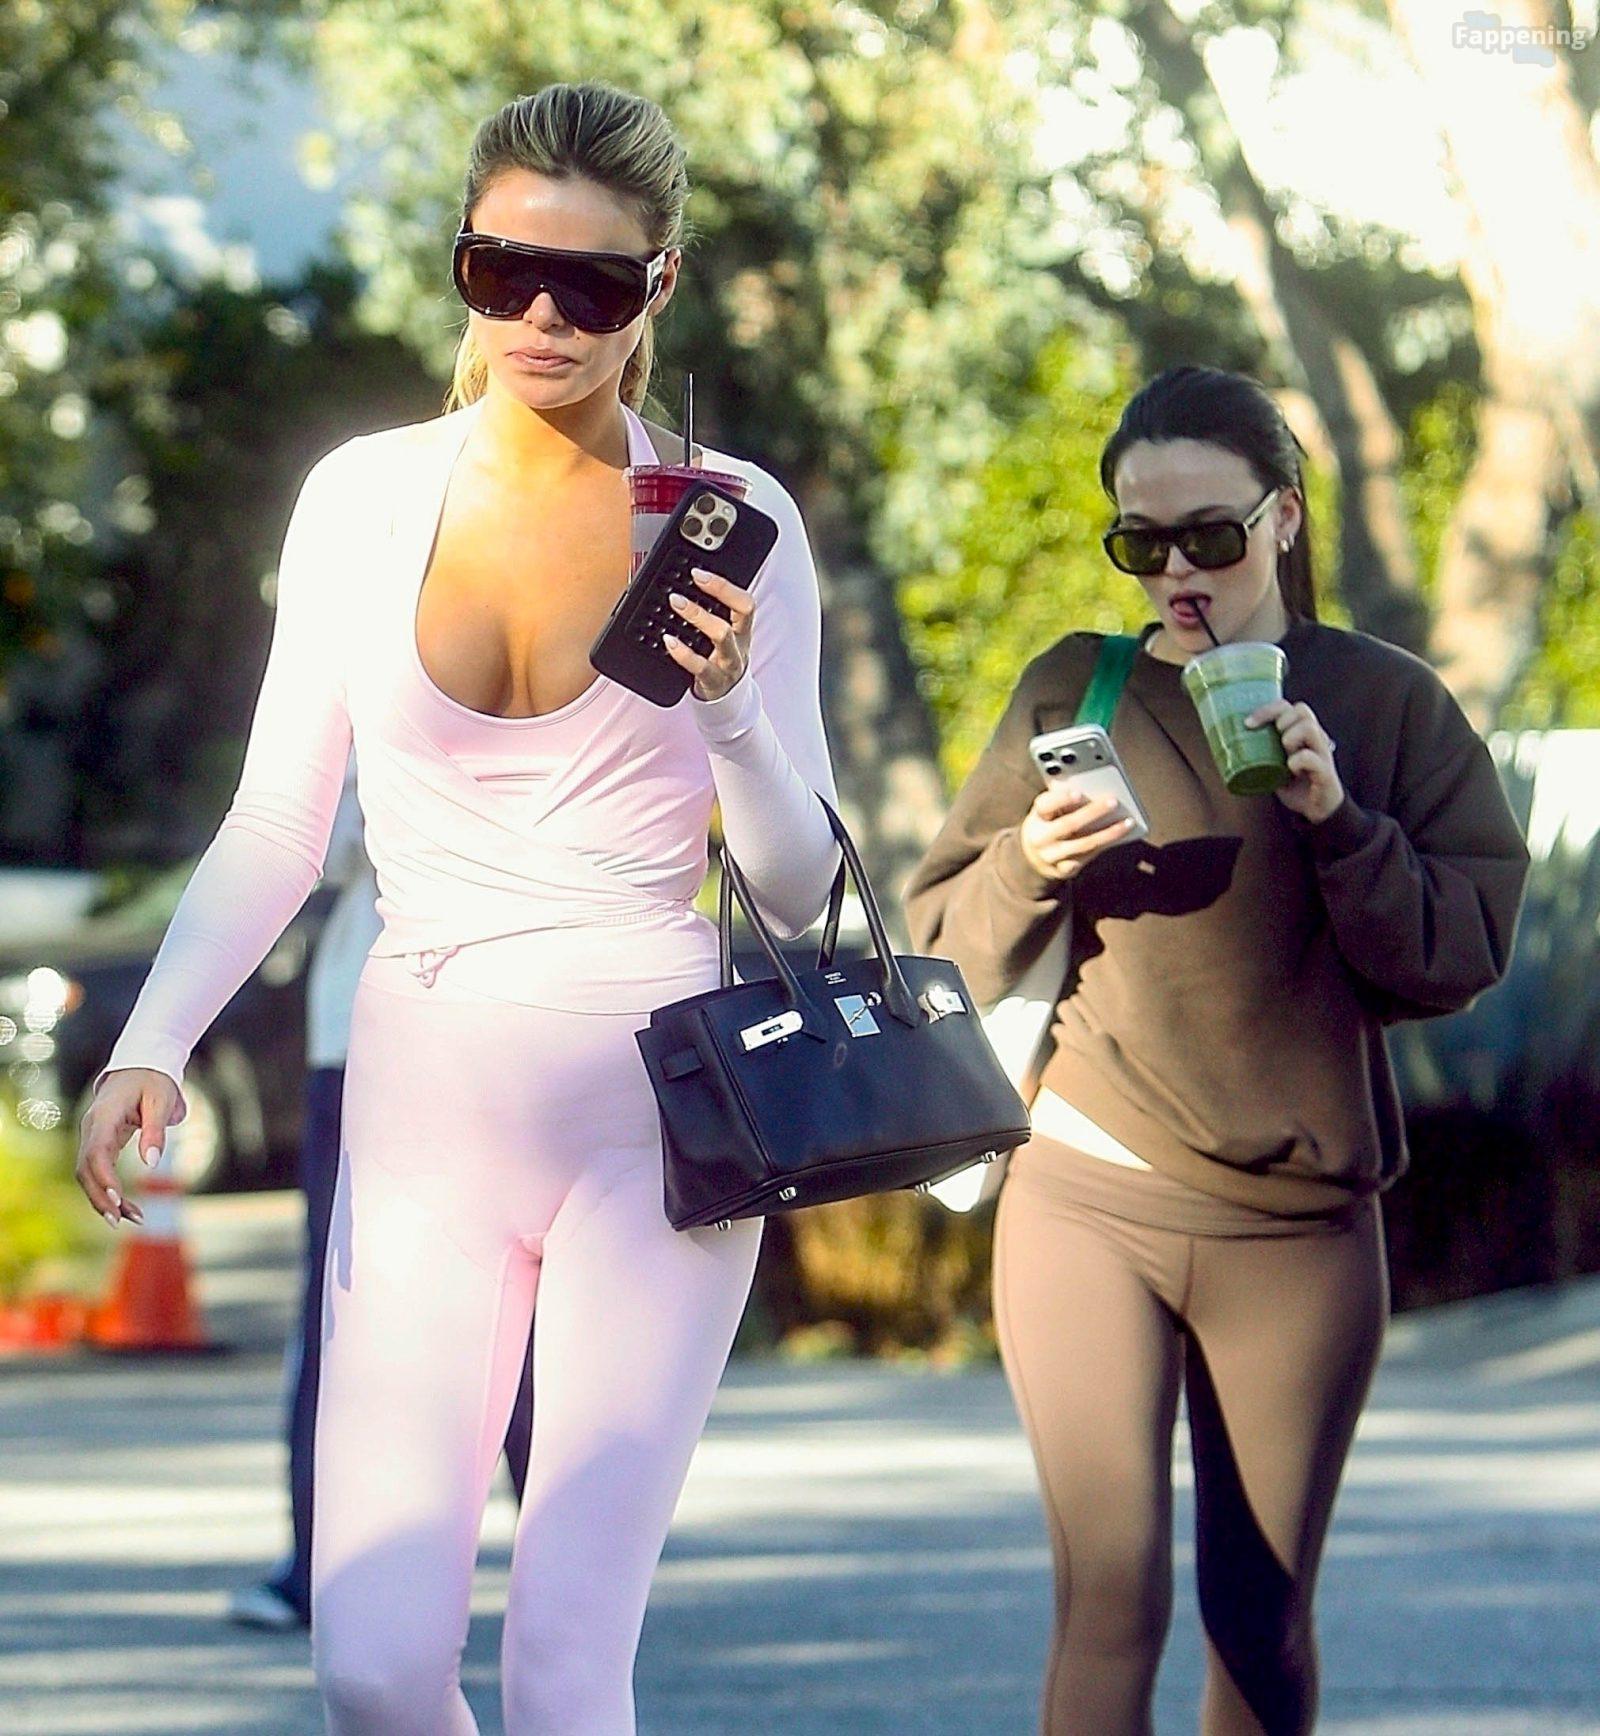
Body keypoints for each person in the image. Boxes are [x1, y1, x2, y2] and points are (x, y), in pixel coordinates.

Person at [76, 83, 838, 1735]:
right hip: (420, 1094)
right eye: (502, 273)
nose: (543, 317)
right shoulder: (362, 496)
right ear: (463, 267)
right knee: (372, 1666)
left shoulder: (737, 517)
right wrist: (153, 1040)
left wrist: (730, 710)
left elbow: (798, 889)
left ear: (660, 288)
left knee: (566, 1672)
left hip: (660, 1116)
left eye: (594, 284)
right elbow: (281, 817)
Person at [905, 365, 1529, 1736]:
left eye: (1210, 535)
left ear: (1285, 517)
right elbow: (939, 941)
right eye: (1141, 543)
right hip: (1086, 1190)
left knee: (1258, 1615)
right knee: (1109, 1596)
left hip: (1299, 1228)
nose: (1177, 572)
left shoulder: (1387, 702)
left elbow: (1457, 954)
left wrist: (1337, 820)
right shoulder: (1078, 684)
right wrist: (1028, 860)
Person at [226, 759, 536, 1632]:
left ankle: (562, 1559)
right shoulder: (358, 687)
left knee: (524, 1292)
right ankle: (318, 1561)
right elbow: (304, 843)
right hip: (371, 1035)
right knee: (344, 1302)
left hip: (497, 1023)